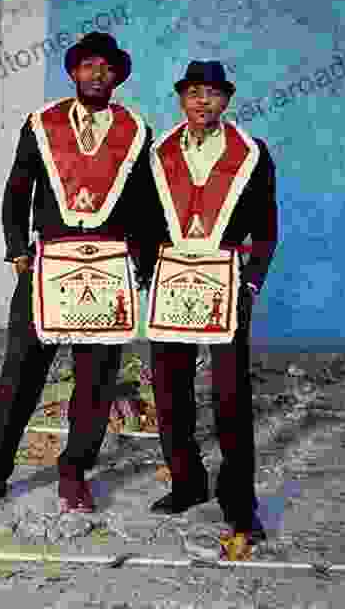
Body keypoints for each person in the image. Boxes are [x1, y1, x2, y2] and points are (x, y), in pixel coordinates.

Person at [0, 32, 158, 513]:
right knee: (20, 375)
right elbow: (17, 190)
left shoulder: (136, 129)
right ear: (74, 72)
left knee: (95, 382)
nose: (97, 74)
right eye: (88, 65)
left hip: (109, 267)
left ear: (118, 77)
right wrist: (16, 249)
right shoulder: (42, 122)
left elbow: (147, 205)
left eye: (106, 68)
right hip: (48, 262)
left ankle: (74, 473)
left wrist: (143, 263)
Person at [143, 61, 278, 559]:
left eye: (214, 94)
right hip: (172, 279)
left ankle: (240, 505)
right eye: (195, 93)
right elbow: (144, 217)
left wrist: (254, 281)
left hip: (227, 279)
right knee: (169, 386)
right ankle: (186, 483)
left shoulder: (251, 154)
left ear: (227, 100)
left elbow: (266, 224)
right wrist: (145, 273)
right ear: (182, 98)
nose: (204, 102)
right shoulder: (158, 154)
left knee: (229, 396)